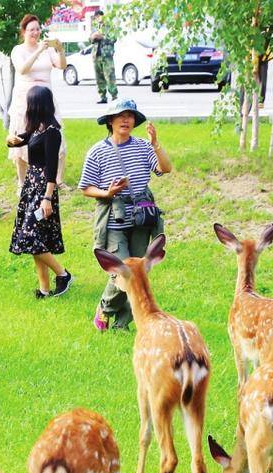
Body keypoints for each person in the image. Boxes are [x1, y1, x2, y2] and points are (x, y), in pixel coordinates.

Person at [79, 99, 172, 330]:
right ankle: (104, 308)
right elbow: (85, 188)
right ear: (110, 121)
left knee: (138, 272)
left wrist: (155, 144)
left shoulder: (142, 146)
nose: (126, 120)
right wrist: (107, 192)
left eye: (130, 116)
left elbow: (165, 169)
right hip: (113, 222)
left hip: (142, 219)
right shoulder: (98, 152)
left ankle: (122, 325)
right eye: (121, 116)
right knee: (123, 270)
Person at [6, 86, 72, 299]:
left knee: (30, 236)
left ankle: (63, 274)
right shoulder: (38, 128)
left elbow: (52, 168)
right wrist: (12, 140)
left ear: (37, 105)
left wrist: (47, 198)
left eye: (29, 103)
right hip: (31, 187)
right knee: (37, 239)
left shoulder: (52, 132)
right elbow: (22, 138)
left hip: (43, 188)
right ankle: (44, 289)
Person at [8, 14, 67, 186]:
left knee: (56, 134)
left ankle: (57, 180)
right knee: (22, 137)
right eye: (31, 29)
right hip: (26, 98)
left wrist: (60, 50)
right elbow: (23, 69)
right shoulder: (18, 50)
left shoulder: (48, 49)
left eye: (37, 29)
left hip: (46, 98)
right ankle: (22, 182)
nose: (35, 32)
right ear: (24, 32)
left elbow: (62, 65)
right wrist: (39, 50)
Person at [90, 10, 117, 105]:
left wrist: (102, 37)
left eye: (99, 16)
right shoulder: (94, 27)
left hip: (107, 56)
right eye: (96, 17)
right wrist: (93, 37)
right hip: (97, 55)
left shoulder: (109, 27)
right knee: (99, 77)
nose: (98, 18)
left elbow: (114, 38)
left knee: (110, 76)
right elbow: (90, 39)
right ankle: (102, 96)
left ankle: (114, 96)